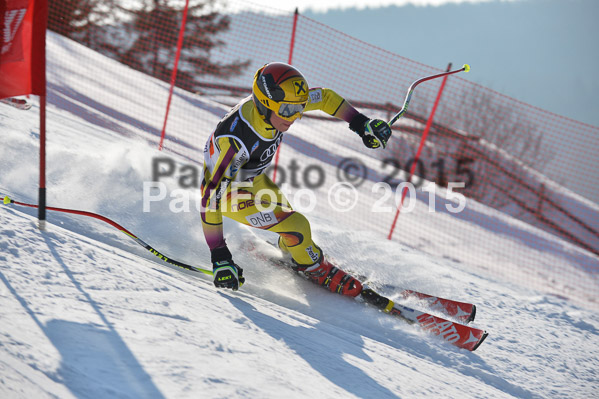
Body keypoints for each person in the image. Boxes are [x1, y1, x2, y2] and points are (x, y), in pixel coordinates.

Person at [201, 62, 392, 301]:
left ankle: (298, 256)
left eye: (300, 109)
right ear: (265, 104)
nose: (294, 117)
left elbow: (324, 97)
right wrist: (220, 257)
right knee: (297, 225)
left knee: (289, 221)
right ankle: (313, 269)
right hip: (227, 192)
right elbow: (210, 198)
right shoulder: (236, 140)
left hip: (252, 179)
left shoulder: (283, 102)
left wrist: (361, 124)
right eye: (289, 112)